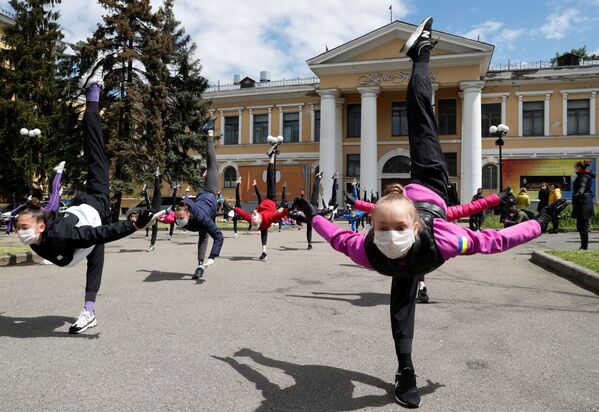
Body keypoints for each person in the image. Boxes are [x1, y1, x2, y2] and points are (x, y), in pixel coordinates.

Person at [293, 17, 563, 409]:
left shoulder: (441, 236)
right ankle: (406, 371)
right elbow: (336, 236)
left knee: (420, 113)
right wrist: (312, 213)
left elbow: (495, 238)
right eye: (381, 228)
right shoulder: (369, 248)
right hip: (426, 216)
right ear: (372, 227)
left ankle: (421, 53)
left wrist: (537, 222)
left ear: (415, 225)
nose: (388, 235)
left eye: (397, 226)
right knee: (400, 303)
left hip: (431, 184)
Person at [15, 63, 159, 334]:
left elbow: (54, 202)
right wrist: (134, 226)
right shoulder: (60, 235)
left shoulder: (50, 224)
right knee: (95, 151)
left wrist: (58, 175)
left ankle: (89, 311)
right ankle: (94, 91)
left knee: (95, 249)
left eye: (23, 226)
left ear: (41, 224)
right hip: (96, 202)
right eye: (20, 227)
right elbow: (103, 231)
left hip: (83, 214)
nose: (19, 231)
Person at [173, 121, 224, 280]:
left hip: (209, 191)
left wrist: (212, 258)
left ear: (188, 214)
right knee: (203, 236)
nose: (179, 221)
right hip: (201, 197)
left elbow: (219, 237)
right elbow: (182, 204)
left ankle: (209, 133)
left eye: (180, 219)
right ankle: (199, 265)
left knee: (212, 165)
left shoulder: (200, 217)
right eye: (178, 219)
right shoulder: (182, 215)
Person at [233, 136, 289, 260]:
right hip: (267, 202)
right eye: (254, 216)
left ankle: (272, 155)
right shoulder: (261, 220)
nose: (252, 215)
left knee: (271, 177)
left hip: (270, 199)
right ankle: (264, 251)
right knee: (271, 177)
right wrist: (288, 210)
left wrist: (234, 209)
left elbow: (243, 213)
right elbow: (279, 215)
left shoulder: (259, 220)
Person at [571, 160, 595, 250]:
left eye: (575, 166)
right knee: (580, 225)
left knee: (583, 226)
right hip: (582, 203)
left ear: (579, 167)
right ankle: (583, 246)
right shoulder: (583, 176)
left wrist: (579, 193)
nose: (574, 168)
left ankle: (584, 247)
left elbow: (582, 186)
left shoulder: (583, 177)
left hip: (583, 203)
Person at [143, 167, 162, 252]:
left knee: (156, 190)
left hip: (154, 208)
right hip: (155, 206)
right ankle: (157, 176)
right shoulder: (150, 214)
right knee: (156, 190)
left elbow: (147, 201)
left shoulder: (150, 212)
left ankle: (152, 245)